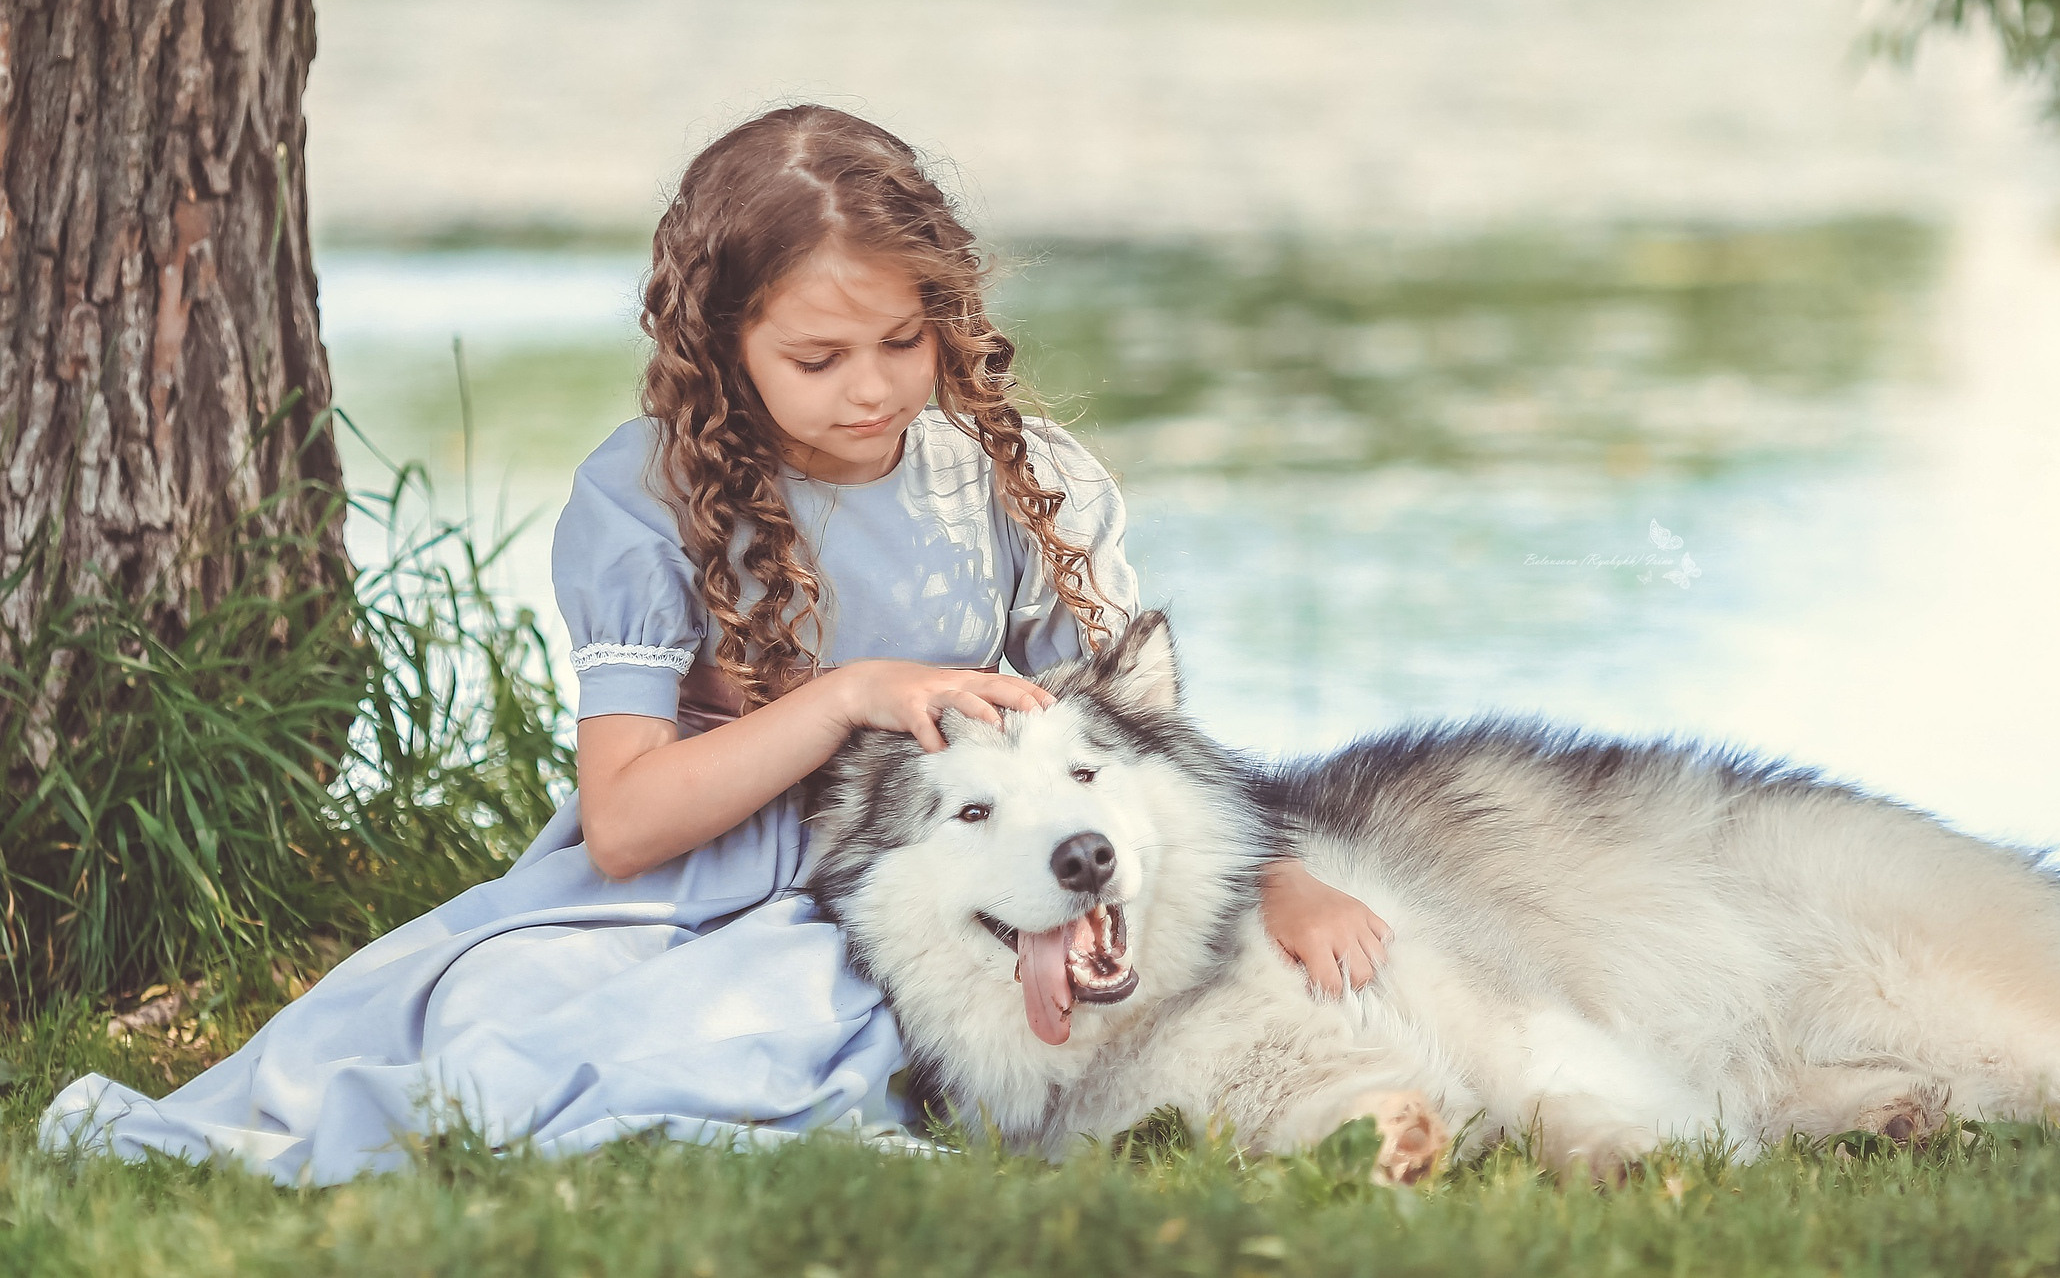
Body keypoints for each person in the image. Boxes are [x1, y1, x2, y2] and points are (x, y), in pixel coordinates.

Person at [41, 106, 1391, 1183]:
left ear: (948, 317)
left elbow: (1128, 759)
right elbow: (625, 827)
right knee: (484, 1024)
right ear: (723, 343)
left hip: (901, 887)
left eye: (902, 341)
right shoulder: (645, 502)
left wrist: (1282, 885)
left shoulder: (1017, 481)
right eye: (817, 358)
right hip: (667, 882)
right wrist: (852, 696)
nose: (868, 388)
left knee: (759, 1033)